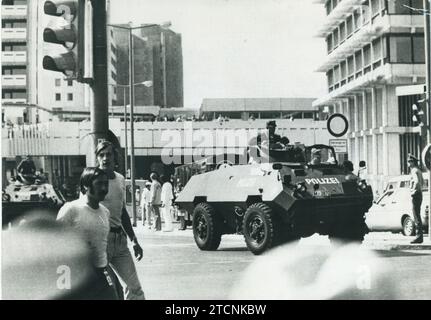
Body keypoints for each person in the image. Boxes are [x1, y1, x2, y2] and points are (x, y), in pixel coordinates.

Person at [57, 167, 119, 300]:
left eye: (105, 184)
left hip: (101, 272)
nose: (103, 188)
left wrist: (108, 271)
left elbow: (101, 245)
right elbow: (55, 241)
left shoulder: (105, 212)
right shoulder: (71, 209)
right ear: (85, 186)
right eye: (99, 184)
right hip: (77, 275)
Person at [95, 141, 146, 300]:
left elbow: (122, 211)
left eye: (108, 154)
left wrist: (134, 240)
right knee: (106, 292)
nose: (105, 158)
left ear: (115, 157)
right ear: (97, 158)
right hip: (99, 242)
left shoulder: (120, 179)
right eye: (101, 155)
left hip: (120, 242)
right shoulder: (92, 179)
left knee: (134, 289)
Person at [408, 154, 424, 244]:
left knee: (416, 216)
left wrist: (413, 191)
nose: (408, 163)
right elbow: (422, 182)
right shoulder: (419, 170)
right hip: (420, 194)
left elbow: (417, 182)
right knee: (417, 214)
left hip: (416, 195)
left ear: (413, 162)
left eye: (410, 161)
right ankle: (419, 236)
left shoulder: (414, 170)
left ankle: (418, 237)